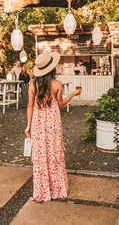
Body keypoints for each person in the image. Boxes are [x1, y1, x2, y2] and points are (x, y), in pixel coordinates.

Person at [25, 52, 82, 202]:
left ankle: (42, 190)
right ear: (52, 68)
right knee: (54, 154)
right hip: (53, 124)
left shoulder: (32, 84)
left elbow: (30, 106)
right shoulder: (57, 84)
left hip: (38, 123)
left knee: (41, 155)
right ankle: (57, 189)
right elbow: (61, 104)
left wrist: (28, 125)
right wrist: (73, 94)